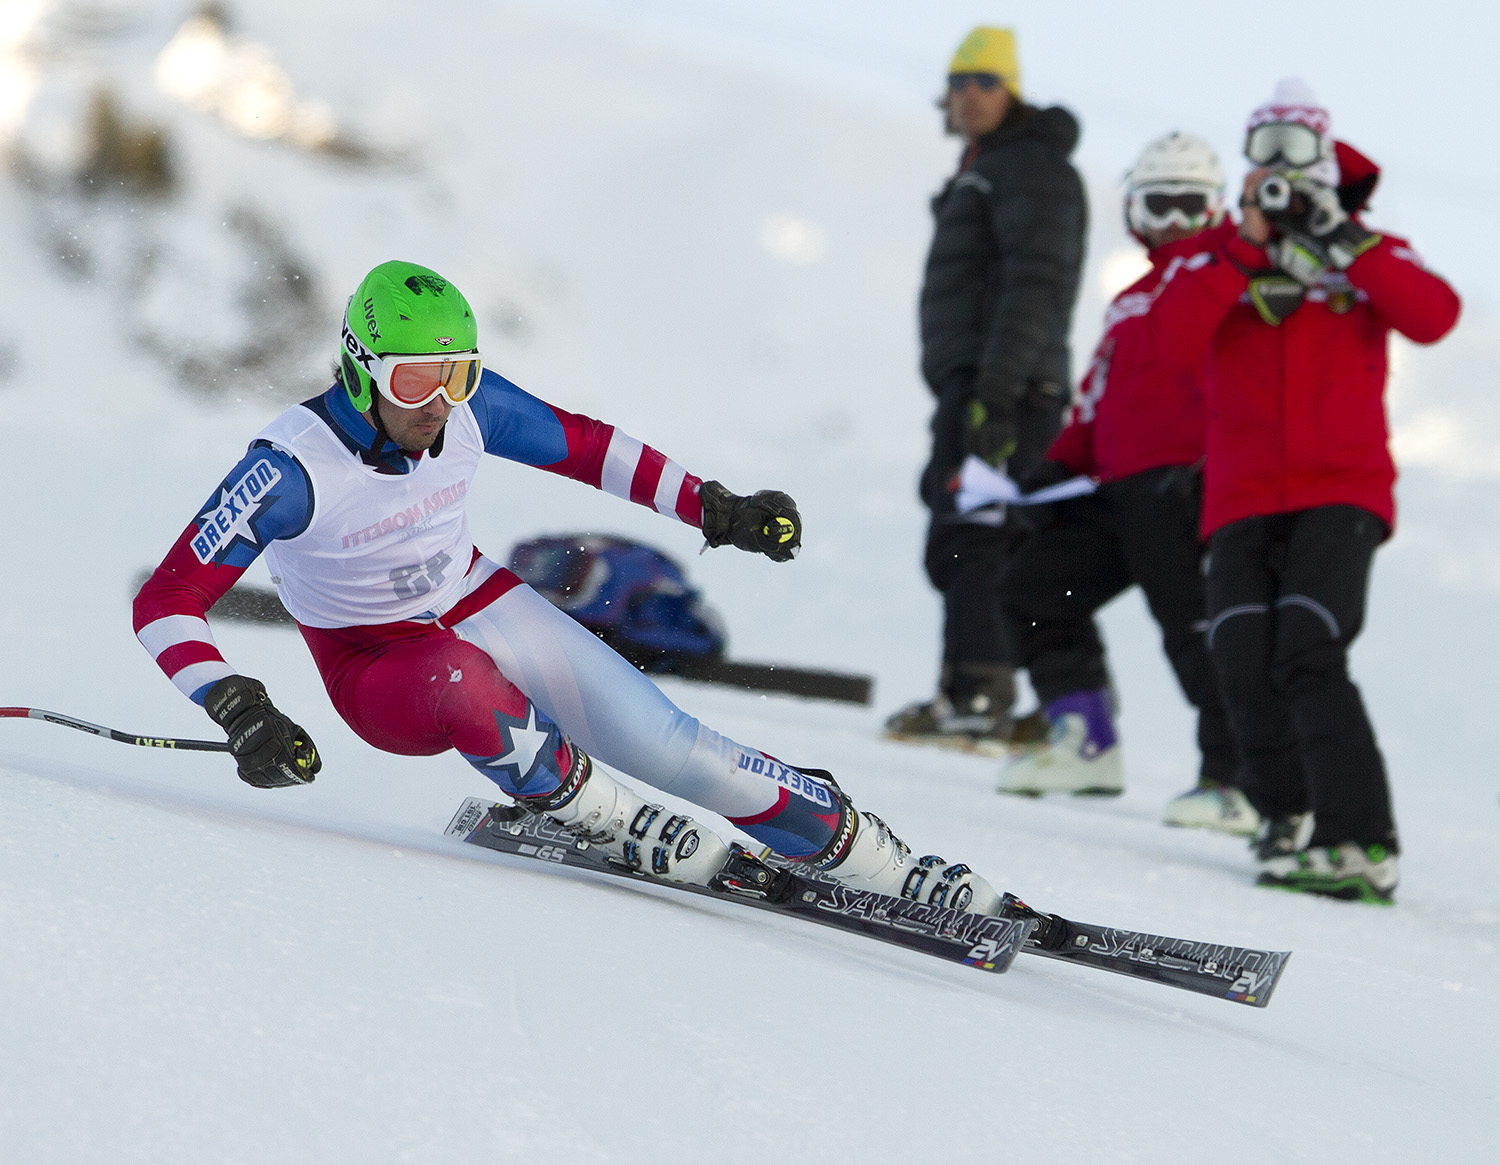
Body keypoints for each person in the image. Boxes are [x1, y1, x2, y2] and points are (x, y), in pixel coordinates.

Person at [133, 260, 1003, 914]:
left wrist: (715, 507)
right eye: (413, 381)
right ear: (361, 370)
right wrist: (239, 706)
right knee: (462, 683)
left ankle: (877, 862)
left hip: (476, 597)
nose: (439, 405)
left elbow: (587, 448)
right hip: (375, 658)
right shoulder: (289, 469)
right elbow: (165, 601)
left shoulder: (464, 412)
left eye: (459, 377)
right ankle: (607, 816)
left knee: (676, 746)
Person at [1147, 81, 1461, 902]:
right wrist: (1244, 250)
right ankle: (1284, 812)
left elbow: (1434, 315)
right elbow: (1171, 343)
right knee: (1241, 656)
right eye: (1263, 154)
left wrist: (1342, 238)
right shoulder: (1219, 251)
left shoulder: (1366, 248)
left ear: (1320, 161)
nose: (1276, 173)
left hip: (1340, 487)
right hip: (1243, 493)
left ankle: (1359, 839)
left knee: (1309, 649)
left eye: (1293, 153)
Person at [994, 133, 1252, 834]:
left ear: (1216, 206)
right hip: (1118, 492)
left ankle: (1237, 779)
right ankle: (1086, 741)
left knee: (1195, 628)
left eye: (1187, 204)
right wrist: (1059, 462)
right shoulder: (1133, 298)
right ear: (1135, 209)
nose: (1170, 221)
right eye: (1156, 204)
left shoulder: (1227, 273)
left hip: (1190, 483)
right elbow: (1097, 398)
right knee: (1034, 588)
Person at [883, 26, 1087, 754]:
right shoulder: (990, 166)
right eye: (960, 81)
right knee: (958, 534)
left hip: (1008, 389)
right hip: (979, 385)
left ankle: (983, 696)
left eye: (986, 81)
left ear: (1013, 90)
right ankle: (969, 689)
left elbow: (1038, 284)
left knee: (978, 534)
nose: (969, 94)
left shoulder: (1030, 167)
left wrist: (996, 393)